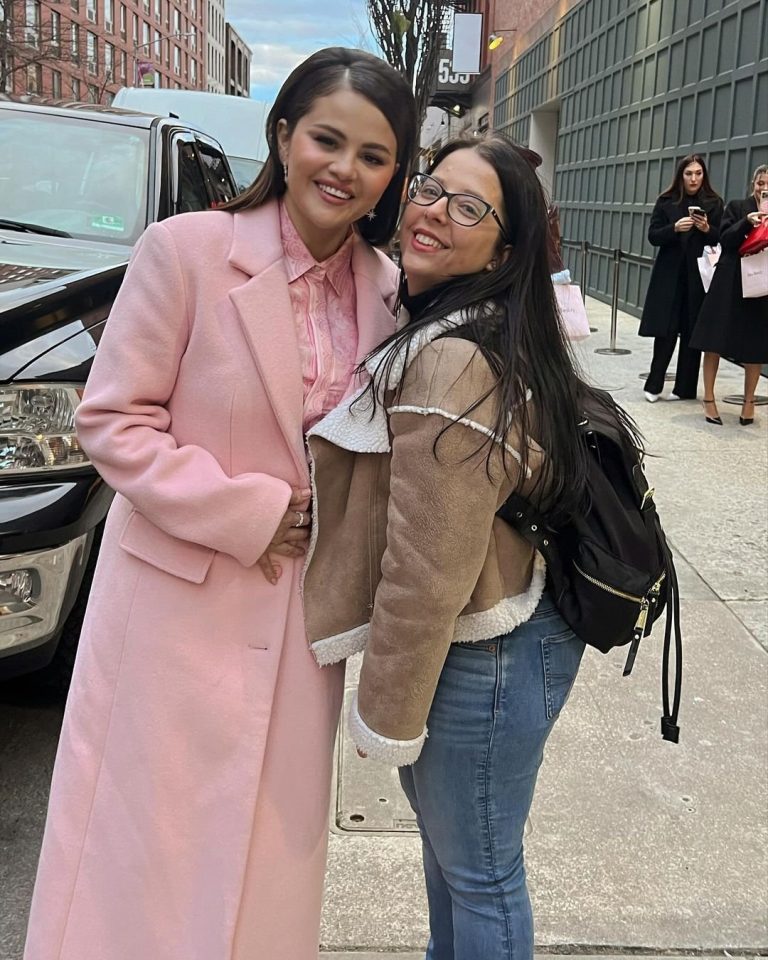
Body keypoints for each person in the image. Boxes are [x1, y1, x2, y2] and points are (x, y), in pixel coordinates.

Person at [23, 47, 416, 960]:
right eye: (326, 140)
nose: (344, 169)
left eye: (373, 155)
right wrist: (245, 511)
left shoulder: (389, 292)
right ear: (283, 136)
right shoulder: (186, 252)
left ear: (395, 173)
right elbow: (113, 420)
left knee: (268, 854)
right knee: (143, 852)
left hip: (299, 621)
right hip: (173, 611)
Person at [301, 135, 637, 958]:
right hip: (507, 637)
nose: (432, 213)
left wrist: (384, 712)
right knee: (458, 863)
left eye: (468, 207)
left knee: (480, 873)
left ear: (504, 249)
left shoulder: (450, 359)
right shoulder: (481, 326)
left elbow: (427, 567)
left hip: (488, 652)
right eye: (430, 188)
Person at [638, 154, 723, 401]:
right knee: (665, 330)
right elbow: (653, 236)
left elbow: (722, 237)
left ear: (704, 175)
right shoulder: (666, 201)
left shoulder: (714, 203)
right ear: (681, 175)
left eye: (698, 173)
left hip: (699, 275)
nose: (694, 178)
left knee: (692, 331)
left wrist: (707, 229)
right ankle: (654, 384)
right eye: (689, 174)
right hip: (670, 274)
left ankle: (685, 388)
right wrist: (674, 228)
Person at [691, 164, 768, 425]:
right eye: (760, 183)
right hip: (730, 279)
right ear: (752, 184)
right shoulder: (737, 207)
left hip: (760, 284)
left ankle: (749, 402)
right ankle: (709, 399)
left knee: (755, 343)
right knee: (714, 339)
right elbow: (724, 238)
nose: (763, 188)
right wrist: (747, 222)